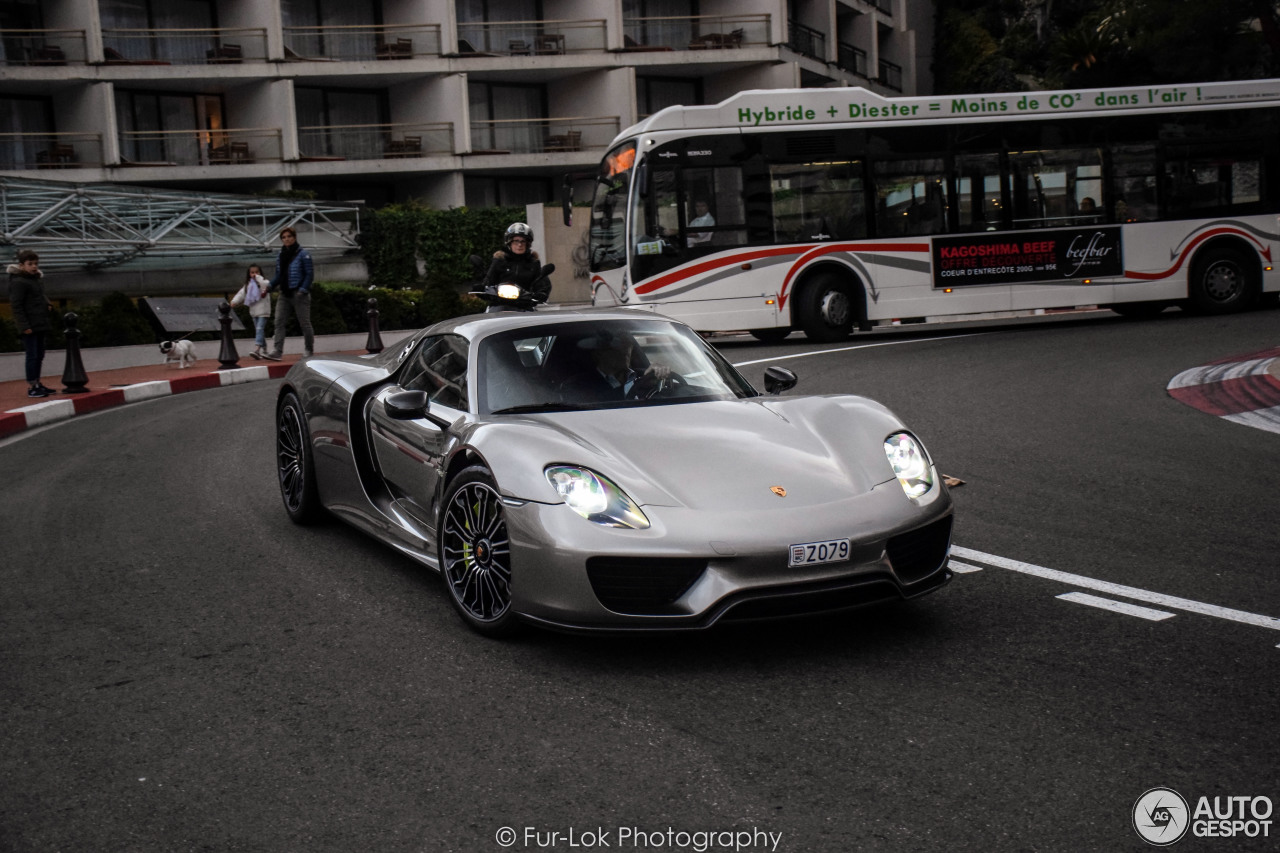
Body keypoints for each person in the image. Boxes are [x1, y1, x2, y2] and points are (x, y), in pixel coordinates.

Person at [562, 327, 671, 403]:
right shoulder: (577, 384)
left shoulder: (643, 375)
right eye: (617, 346)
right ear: (599, 353)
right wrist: (635, 386)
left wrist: (661, 377)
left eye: (628, 346)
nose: (625, 352)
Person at [8, 249, 57, 398]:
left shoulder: (35, 279)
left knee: (39, 355)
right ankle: (32, 386)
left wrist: (47, 303)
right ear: (22, 265)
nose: (34, 266)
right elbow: (16, 306)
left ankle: (37, 382)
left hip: (39, 322)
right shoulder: (18, 282)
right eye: (30, 264)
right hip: (30, 326)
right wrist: (24, 326)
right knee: (32, 355)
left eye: (36, 263)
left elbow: (40, 295)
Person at [262, 227, 314, 361]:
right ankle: (277, 351)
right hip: (284, 293)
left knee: (304, 323)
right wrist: (270, 286)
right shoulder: (280, 255)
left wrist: (303, 289)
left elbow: (309, 274)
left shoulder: (303, 254)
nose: (286, 239)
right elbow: (279, 275)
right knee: (278, 321)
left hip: (299, 293)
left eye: (289, 236)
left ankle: (309, 349)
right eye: (284, 237)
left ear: (294, 237)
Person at [481, 222, 552, 306]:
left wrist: (541, 293)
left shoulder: (533, 263)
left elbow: (541, 283)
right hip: (499, 304)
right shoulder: (499, 260)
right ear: (509, 242)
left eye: (523, 241)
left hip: (525, 306)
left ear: (528, 244)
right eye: (516, 241)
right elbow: (488, 280)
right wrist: (482, 287)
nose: (519, 244)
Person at [230, 263, 272, 359]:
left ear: (260, 273)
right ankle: (265, 350)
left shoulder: (263, 283)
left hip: (263, 311)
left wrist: (258, 278)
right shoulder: (248, 286)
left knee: (259, 329)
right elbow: (241, 294)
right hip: (254, 312)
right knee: (259, 330)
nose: (254, 274)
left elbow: (266, 284)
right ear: (249, 274)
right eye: (252, 272)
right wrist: (234, 302)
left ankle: (257, 349)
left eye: (256, 272)